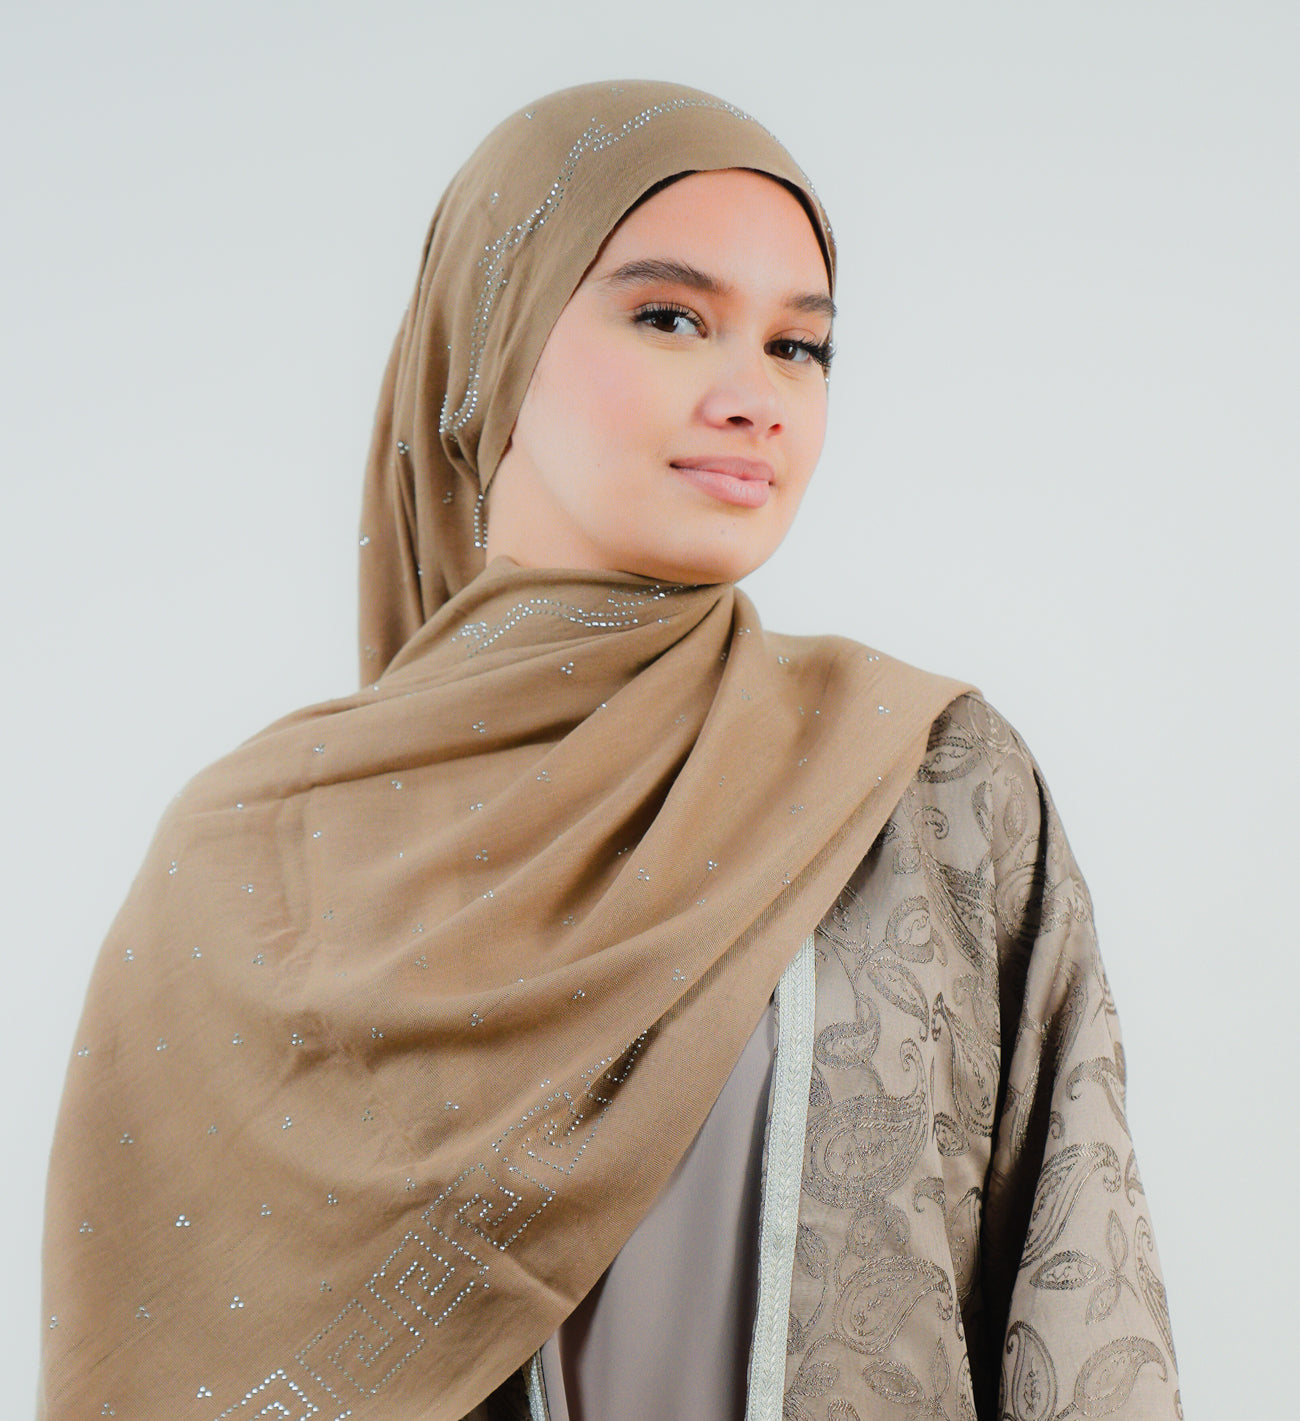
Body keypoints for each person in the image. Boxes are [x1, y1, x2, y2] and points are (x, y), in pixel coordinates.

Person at [39, 80, 1180, 1421]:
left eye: (799, 346)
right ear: (492, 345)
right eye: (671, 318)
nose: (755, 396)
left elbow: (1078, 1298)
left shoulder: (932, 785)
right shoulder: (253, 866)